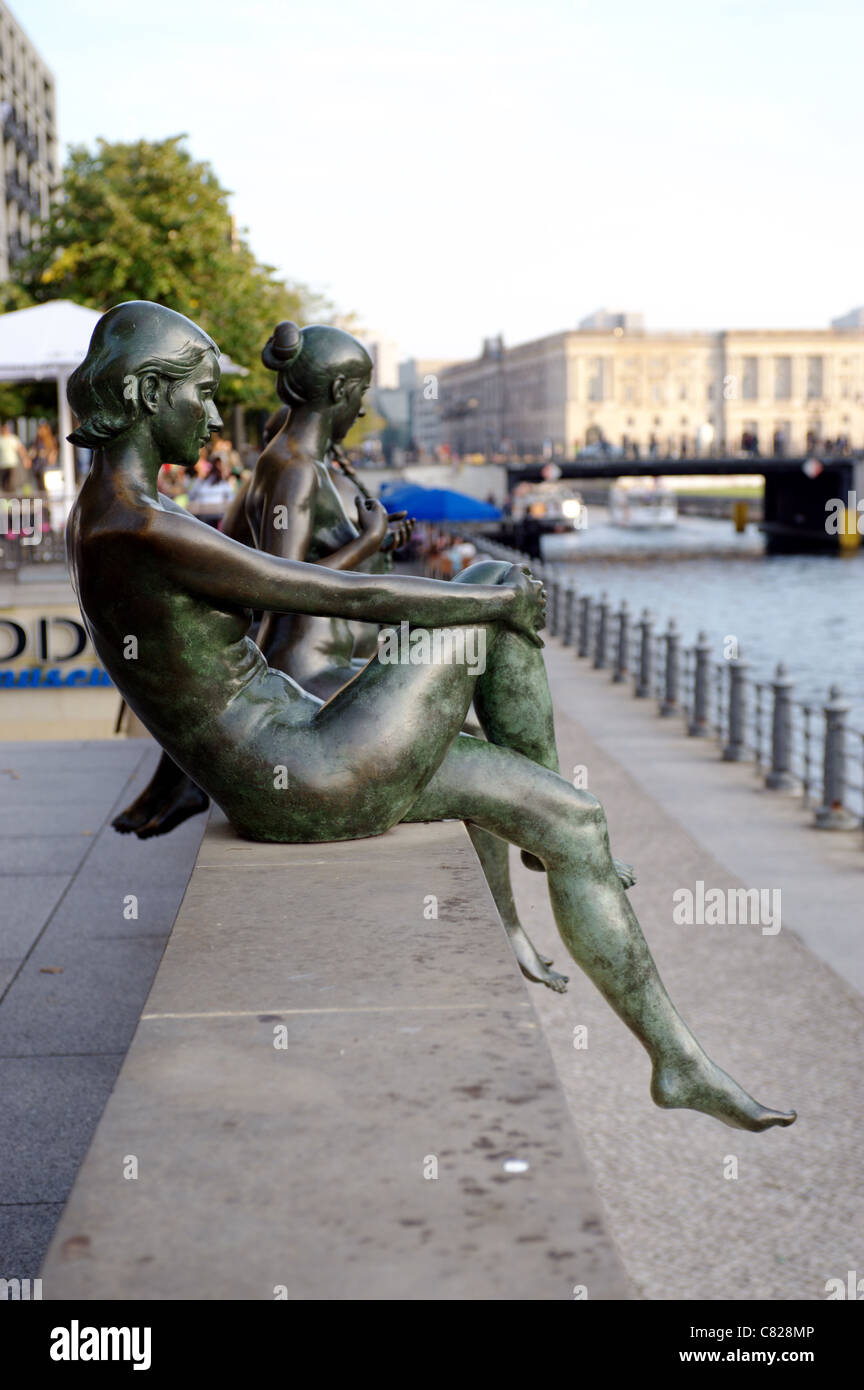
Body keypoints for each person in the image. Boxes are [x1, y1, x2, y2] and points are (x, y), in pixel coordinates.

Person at [68, 301, 795, 1132]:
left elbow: (179, 676)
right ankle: (534, 813)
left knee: (576, 819)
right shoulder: (141, 529)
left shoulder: (102, 518)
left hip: (306, 749)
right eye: (199, 392)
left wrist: (182, 776)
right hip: (305, 773)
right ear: (148, 392)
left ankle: (678, 1061)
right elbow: (341, 592)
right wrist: (486, 597)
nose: (211, 411)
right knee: (488, 588)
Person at [0, 420, 29, 492]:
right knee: (4, 482)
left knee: (11, 482)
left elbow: (20, 449)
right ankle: (6, 498)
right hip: (2, 464)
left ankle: (11, 496)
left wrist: (25, 459)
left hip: (12, 463)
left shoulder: (13, 438)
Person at [30, 422, 58, 490]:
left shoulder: (51, 440)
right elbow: (32, 452)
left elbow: (54, 452)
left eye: (40, 429)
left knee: (46, 486)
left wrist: (45, 453)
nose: (38, 431)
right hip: (37, 465)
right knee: (38, 485)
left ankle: (46, 499)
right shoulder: (36, 440)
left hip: (46, 466)